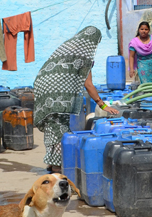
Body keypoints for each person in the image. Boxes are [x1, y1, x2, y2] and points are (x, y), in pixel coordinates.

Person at [34, 26, 119, 173]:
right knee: (60, 128)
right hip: (56, 95)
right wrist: (103, 106)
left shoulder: (68, 48)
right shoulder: (83, 55)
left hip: (44, 88)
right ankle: (57, 166)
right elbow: (88, 84)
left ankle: (51, 161)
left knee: (52, 126)